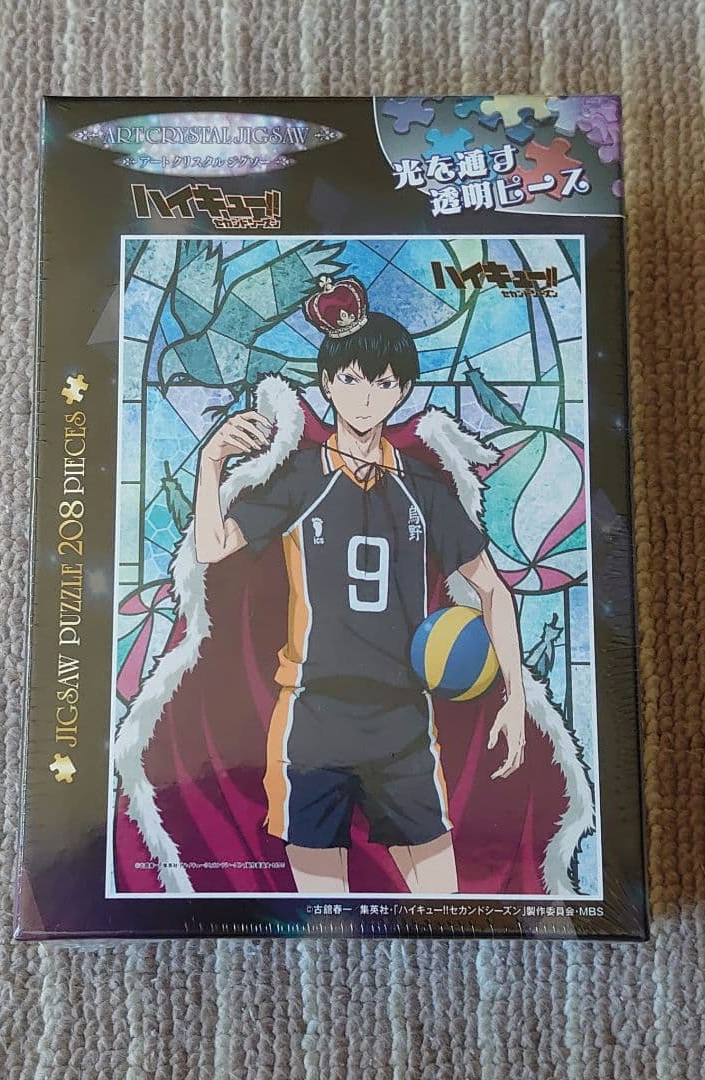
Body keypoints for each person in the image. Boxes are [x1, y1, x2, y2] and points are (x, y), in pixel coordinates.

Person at [192, 275, 526, 894]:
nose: (366, 396)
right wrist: (211, 464)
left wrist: (516, 695)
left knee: (444, 905)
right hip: (314, 714)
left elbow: (494, 591)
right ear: (326, 384)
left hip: (403, 718)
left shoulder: (424, 488)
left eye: (383, 382)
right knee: (326, 918)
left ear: (403, 390)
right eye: (350, 379)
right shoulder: (300, 479)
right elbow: (211, 548)